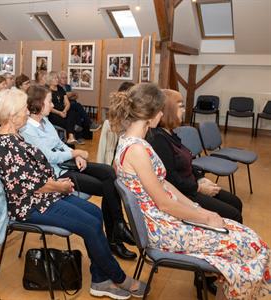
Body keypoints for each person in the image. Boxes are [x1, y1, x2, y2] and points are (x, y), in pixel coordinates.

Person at [110, 83, 270, 300]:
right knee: (248, 244)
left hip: (166, 220)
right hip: (162, 228)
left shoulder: (133, 141)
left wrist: (196, 208)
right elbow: (164, 203)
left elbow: (164, 184)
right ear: (154, 114)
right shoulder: (137, 149)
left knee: (246, 237)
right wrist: (205, 216)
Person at [0, 88, 148, 299]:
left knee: (94, 212)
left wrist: (56, 184)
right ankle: (118, 278)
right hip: (30, 205)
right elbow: (28, 187)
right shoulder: (7, 146)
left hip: (44, 195)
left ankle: (100, 279)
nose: (27, 113)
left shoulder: (13, 137)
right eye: (23, 110)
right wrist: (59, 186)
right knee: (91, 225)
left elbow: (34, 175)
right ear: (11, 115)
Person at [21, 85, 137, 260]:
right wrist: (75, 153)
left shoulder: (45, 122)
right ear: (38, 103)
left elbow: (60, 145)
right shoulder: (28, 129)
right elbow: (49, 157)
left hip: (67, 164)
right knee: (108, 187)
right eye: (49, 101)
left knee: (108, 173)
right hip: (56, 174)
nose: (53, 105)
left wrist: (74, 156)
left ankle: (117, 229)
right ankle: (115, 237)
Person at [147, 89, 243, 224]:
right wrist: (199, 188)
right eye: (180, 106)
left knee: (235, 202)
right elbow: (171, 180)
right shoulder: (158, 139)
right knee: (233, 214)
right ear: (169, 109)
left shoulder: (170, 133)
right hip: (184, 193)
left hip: (192, 185)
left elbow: (187, 162)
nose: (184, 110)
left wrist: (201, 178)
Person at [46, 71, 82, 145]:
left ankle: (70, 139)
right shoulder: (47, 90)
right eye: (55, 78)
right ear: (50, 79)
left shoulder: (60, 88)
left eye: (57, 78)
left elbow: (67, 103)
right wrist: (59, 113)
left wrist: (65, 111)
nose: (57, 80)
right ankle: (71, 137)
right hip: (53, 114)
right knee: (70, 123)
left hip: (63, 112)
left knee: (72, 113)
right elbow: (48, 107)